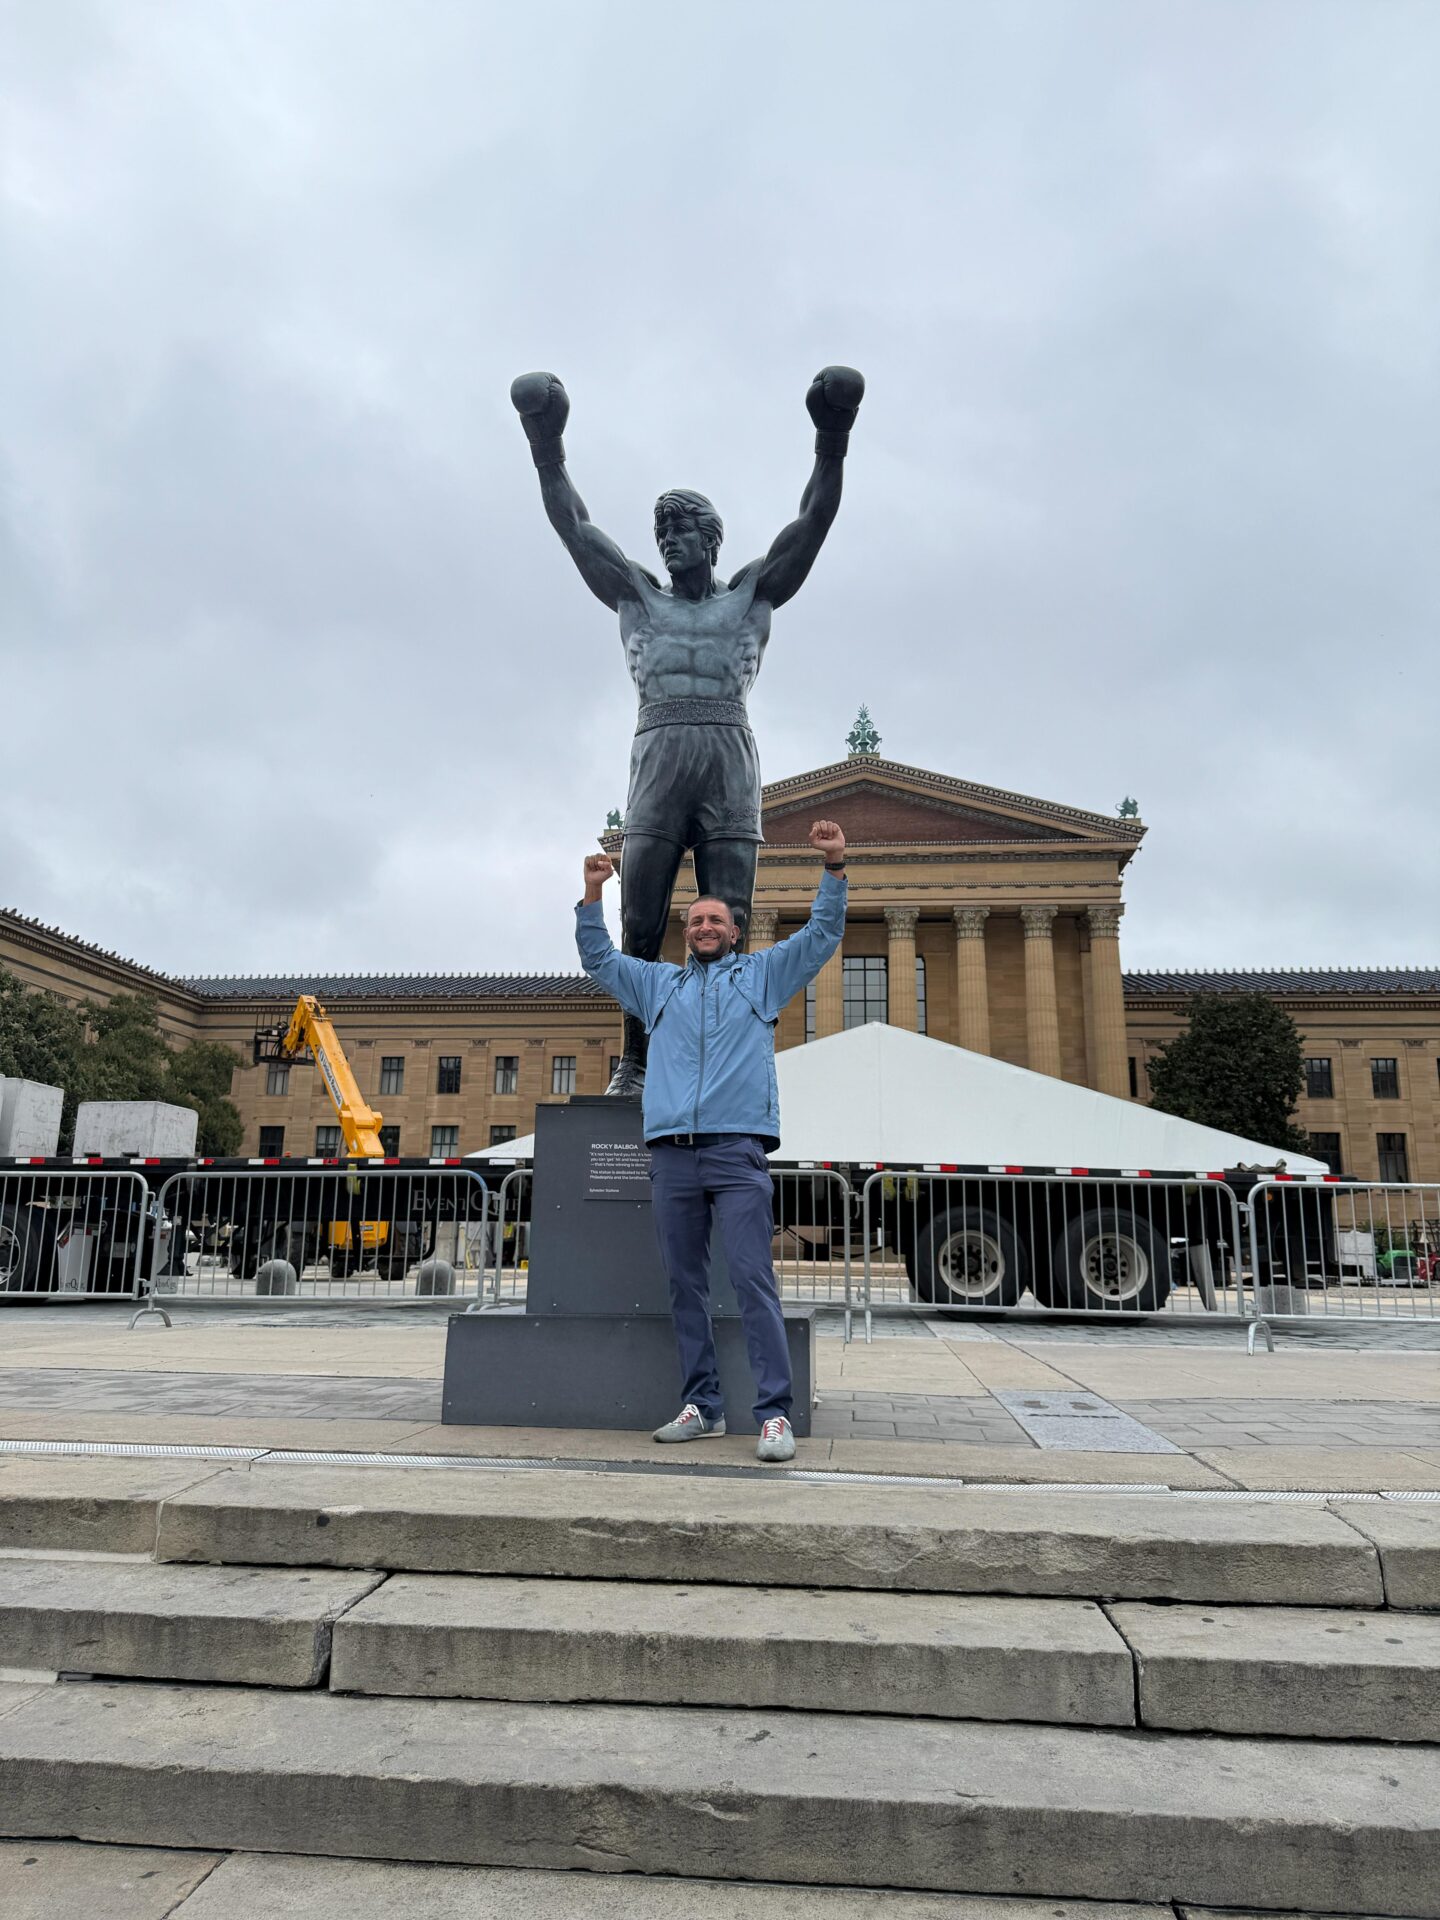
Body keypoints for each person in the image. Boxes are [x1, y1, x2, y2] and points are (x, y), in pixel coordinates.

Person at [514, 364, 864, 1095]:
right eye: (661, 531)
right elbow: (573, 525)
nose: (669, 541)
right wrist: (546, 442)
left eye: (682, 530)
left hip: (728, 755)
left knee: (728, 920)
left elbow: (814, 522)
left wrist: (831, 436)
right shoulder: (637, 596)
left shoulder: (752, 595)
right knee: (641, 920)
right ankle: (637, 1065)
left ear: (712, 539)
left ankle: (725, 1060)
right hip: (660, 752)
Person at [576, 818, 848, 1462]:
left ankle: (774, 1413)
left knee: (754, 1278)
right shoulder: (657, 985)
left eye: (716, 921)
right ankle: (703, 1406)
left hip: (735, 1150)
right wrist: (591, 897)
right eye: (695, 921)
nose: (704, 928)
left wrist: (834, 867)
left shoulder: (760, 977)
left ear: (734, 931)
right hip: (671, 1154)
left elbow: (822, 935)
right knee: (684, 1286)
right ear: (687, 931)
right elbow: (598, 960)